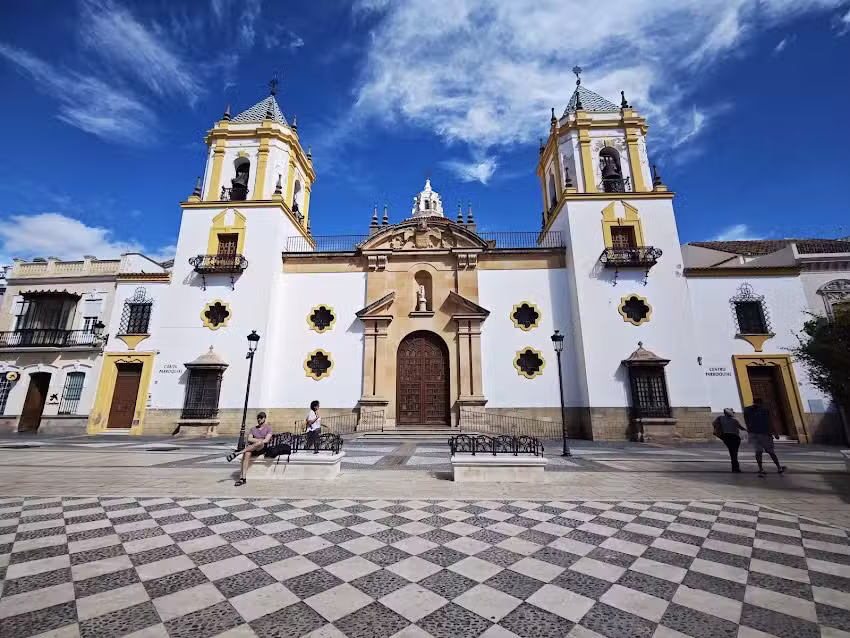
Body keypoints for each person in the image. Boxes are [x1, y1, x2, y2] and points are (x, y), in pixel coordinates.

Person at [226, 412, 272, 486]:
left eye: (261, 417)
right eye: (258, 417)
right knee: (247, 454)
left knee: (259, 443)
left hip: (261, 448)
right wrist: (260, 439)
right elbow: (249, 439)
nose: (259, 419)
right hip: (252, 448)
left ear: (264, 419)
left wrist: (257, 440)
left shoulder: (268, 428)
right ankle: (243, 478)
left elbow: (266, 440)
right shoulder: (253, 429)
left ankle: (237, 453)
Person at [743, 398, 786, 478]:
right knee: (769, 451)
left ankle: (762, 469)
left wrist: (749, 428)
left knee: (759, 451)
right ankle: (778, 468)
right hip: (764, 433)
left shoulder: (747, 410)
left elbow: (746, 420)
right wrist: (775, 433)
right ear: (761, 403)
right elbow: (770, 421)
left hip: (754, 433)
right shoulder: (764, 410)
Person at [713, 408, 746, 472]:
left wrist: (718, 429)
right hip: (735, 437)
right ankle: (735, 468)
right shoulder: (734, 420)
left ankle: (735, 467)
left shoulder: (720, 418)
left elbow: (714, 423)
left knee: (732, 452)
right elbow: (741, 427)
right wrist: (748, 430)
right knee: (734, 452)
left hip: (726, 436)